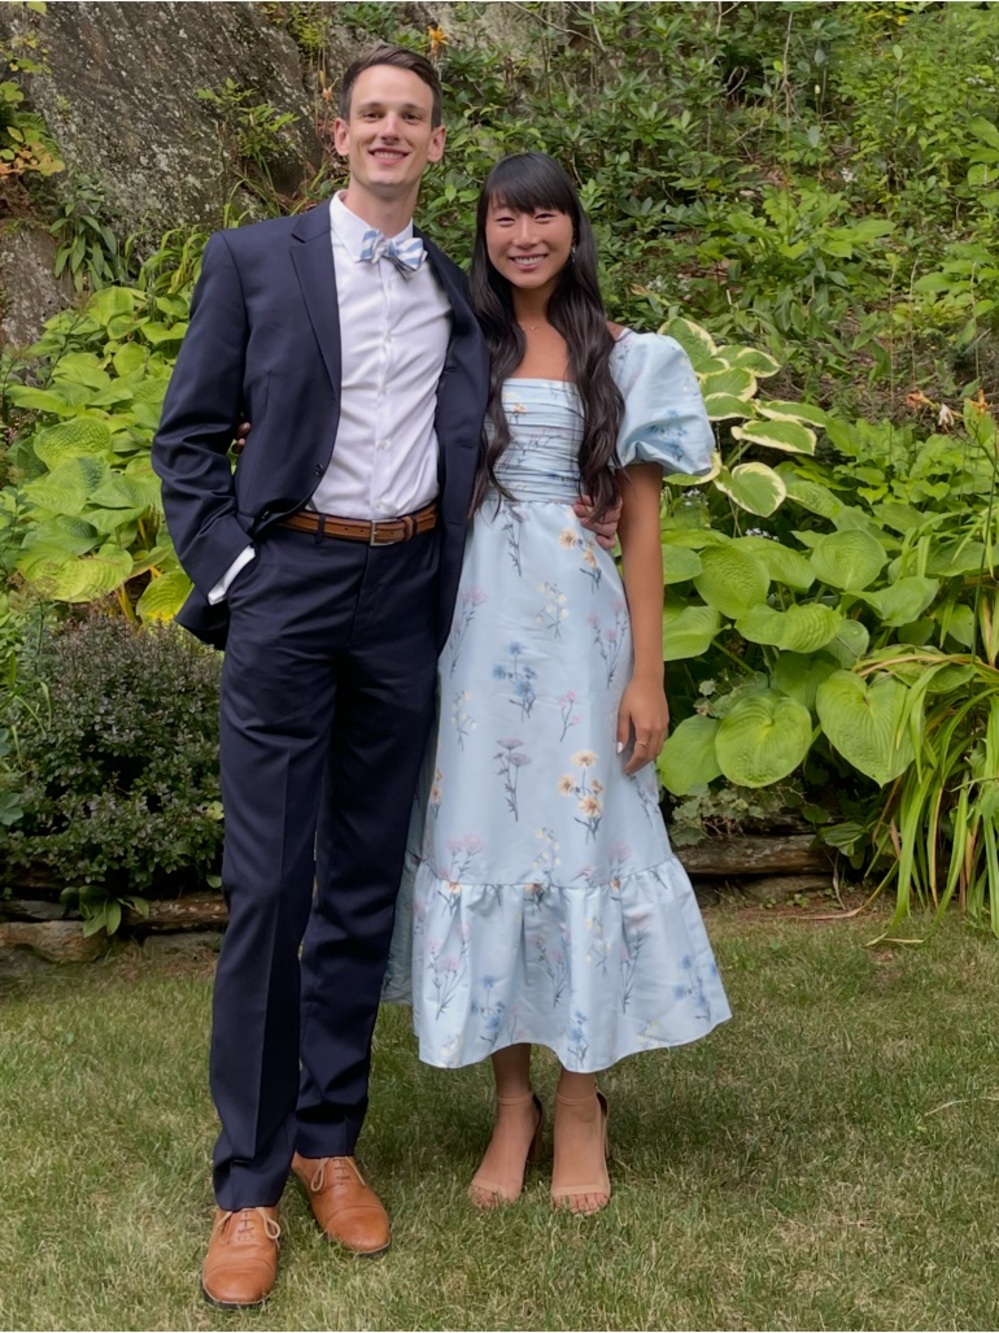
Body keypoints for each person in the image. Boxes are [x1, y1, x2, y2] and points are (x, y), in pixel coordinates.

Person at [152, 45, 492, 1308]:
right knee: (267, 887)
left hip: (404, 596)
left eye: (414, 115)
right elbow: (187, 435)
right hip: (288, 587)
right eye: (374, 114)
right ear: (337, 134)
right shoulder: (254, 259)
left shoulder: (454, 285)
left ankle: (325, 1140)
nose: (393, 131)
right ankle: (246, 1184)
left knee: (358, 883)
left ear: (436, 143)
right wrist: (235, 570)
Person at [383, 152, 731, 1215]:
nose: (523, 234)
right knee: (478, 839)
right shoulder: (455, 345)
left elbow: (644, 527)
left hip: (580, 639)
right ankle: (512, 1099)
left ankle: (581, 1099)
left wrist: (647, 676)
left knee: (582, 845)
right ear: (481, 229)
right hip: (470, 635)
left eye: (544, 217)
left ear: (574, 231)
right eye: (503, 217)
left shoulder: (633, 359)